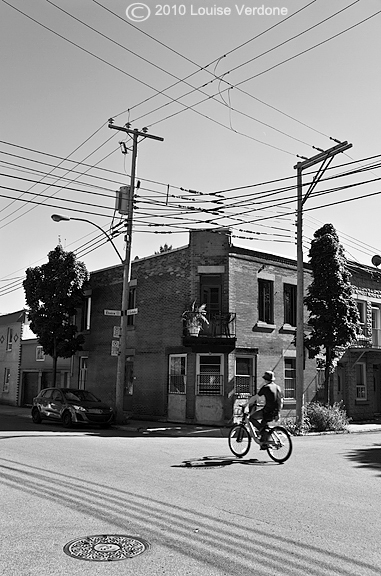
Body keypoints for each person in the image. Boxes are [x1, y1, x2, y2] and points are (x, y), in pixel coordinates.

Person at [243, 370, 282, 449]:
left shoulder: (266, 387)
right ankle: (264, 437)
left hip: (267, 411)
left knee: (252, 418)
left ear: (265, 379)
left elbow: (255, 397)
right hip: (276, 411)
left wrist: (246, 404)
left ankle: (263, 436)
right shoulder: (278, 387)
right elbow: (281, 401)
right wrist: (278, 412)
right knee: (264, 424)